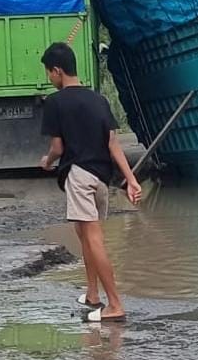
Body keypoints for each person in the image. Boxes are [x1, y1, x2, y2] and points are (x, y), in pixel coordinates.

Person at [39, 42, 142, 323]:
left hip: (79, 176)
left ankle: (115, 305)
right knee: (85, 234)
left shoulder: (55, 102)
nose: (49, 78)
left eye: (49, 73)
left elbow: (58, 148)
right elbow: (113, 144)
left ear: (58, 71)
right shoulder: (98, 99)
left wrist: (47, 162)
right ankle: (93, 294)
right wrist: (131, 180)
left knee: (93, 239)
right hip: (100, 179)